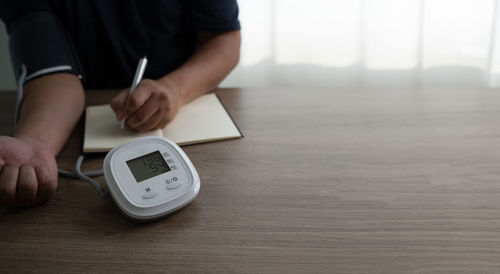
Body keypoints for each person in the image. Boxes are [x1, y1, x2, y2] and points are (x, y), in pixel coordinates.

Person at [0, 1, 241, 208]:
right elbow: (51, 70)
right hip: (80, 128)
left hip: (187, 103)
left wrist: (175, 90)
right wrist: (36, 144)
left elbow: (224, 38)